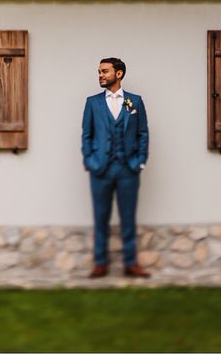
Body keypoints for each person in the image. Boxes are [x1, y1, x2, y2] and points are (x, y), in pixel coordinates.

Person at [81, 57, 151, 279]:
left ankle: (130, 263)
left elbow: (143, 133)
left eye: (105, 71)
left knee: (127, 218)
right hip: (100, 170)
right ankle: (100, 263)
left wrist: (139, 161)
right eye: (99, 72)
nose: (100, 75)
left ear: (118, 74)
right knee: (100, 217)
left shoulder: (135, 102)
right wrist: (90, 161)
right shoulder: (92, 103)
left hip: (127, 170)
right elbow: (87, 135)